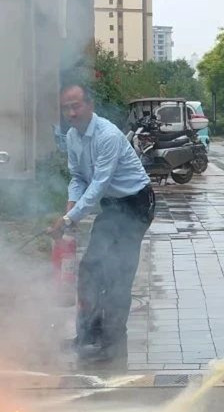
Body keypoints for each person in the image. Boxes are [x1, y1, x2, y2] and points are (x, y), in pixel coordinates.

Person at [50, 83, 155, 369]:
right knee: (90, 269)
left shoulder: (107, 135)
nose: (71, 113)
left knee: (118, 274)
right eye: (66, 108)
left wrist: (70, 219)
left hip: (136, 203)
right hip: (112, 206)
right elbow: (78, 178)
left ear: (90, 104)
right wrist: (70, 210)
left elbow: (98, 183)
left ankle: (112, 345)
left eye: (76, 106)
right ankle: (87, 336)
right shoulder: (72, 137)